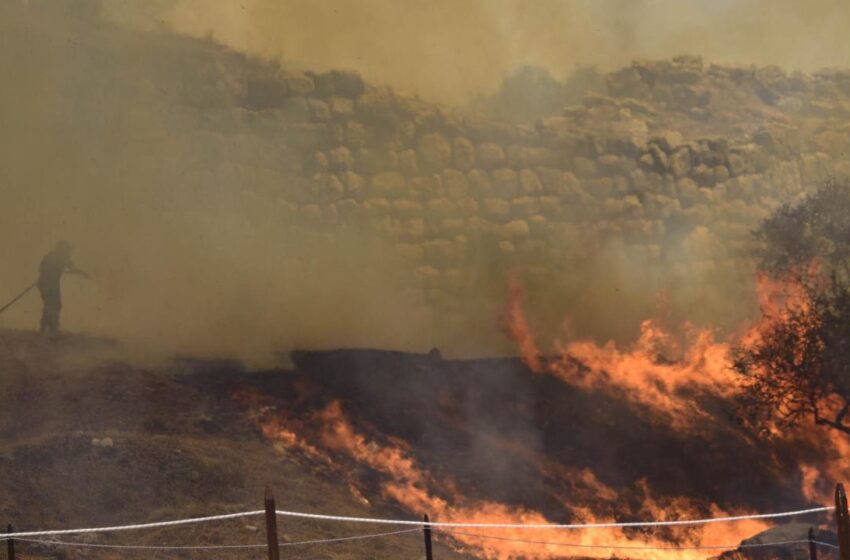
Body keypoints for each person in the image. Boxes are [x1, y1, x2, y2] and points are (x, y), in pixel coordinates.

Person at [37, 241, 89, 335]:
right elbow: (43, 270)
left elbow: (71, 267)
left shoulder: (53, 256)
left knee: (50, 305)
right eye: (67, 249)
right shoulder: (58, 257)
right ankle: (52, 328)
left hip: (47, 283)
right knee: (54, 305)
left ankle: (45, 328)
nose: (69, 252)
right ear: (62, 249)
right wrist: (82, 273)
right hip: (48, 284)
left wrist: (81, 273)